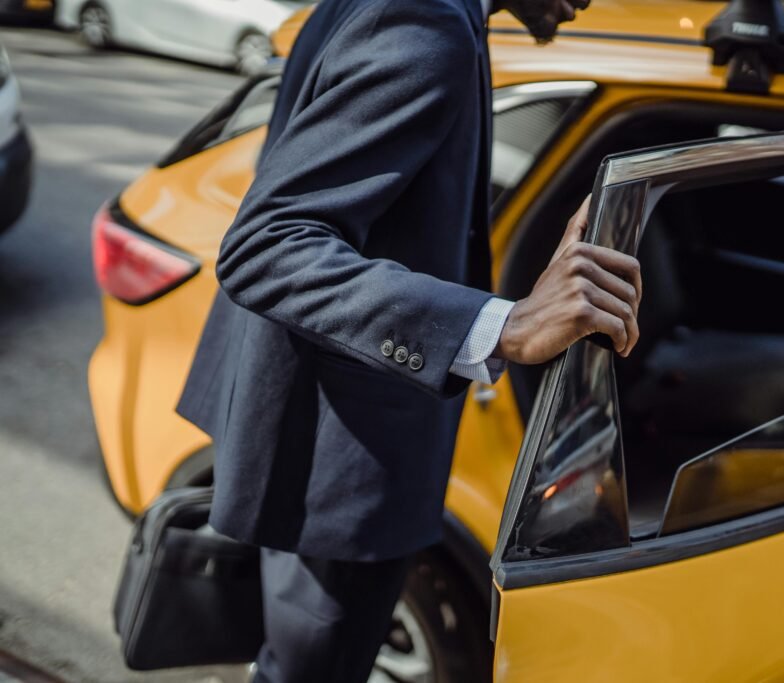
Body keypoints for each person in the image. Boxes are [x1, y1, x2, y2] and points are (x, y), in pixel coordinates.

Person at [175, 0, 642, 680]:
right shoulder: (427, 22)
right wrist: (503, 324)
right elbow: (266, 245)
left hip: (321, 434)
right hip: (344, 466)